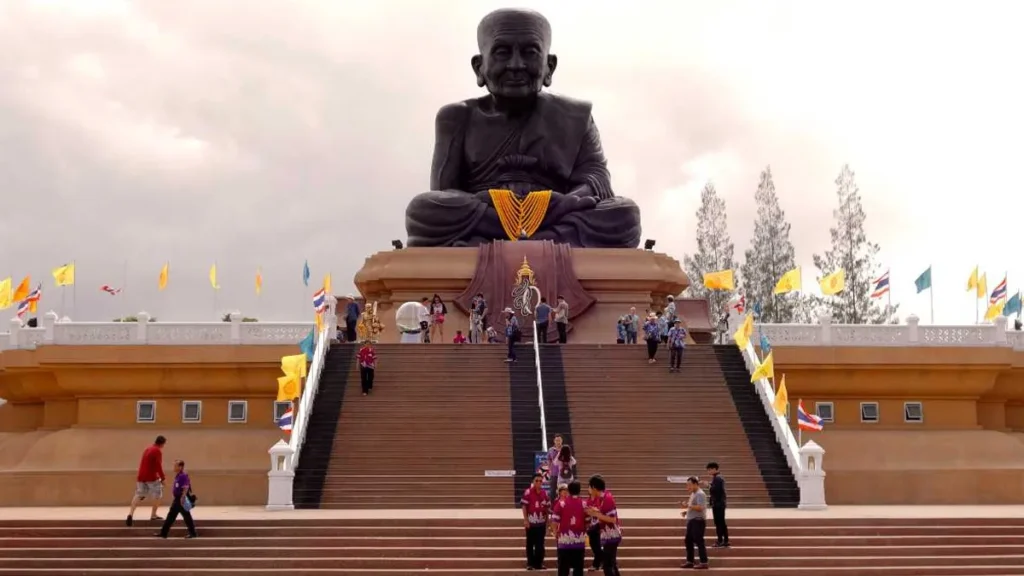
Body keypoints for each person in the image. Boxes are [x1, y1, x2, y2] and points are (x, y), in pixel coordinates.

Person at [403, 8, 642, 249]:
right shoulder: (456, 117)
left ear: (549, 67)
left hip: (557, 210)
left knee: (625, 214)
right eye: (502, 52)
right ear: (479, 67)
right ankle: (545, 239)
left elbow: (597, 182)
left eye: (530, 53)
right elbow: (444, 193)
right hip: (491, 212)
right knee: (423, 210)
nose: (516, 65)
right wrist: (492, 202)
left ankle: (495, 241)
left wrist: (562, 203)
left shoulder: (576, 116)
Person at [586, 475, 622, 576]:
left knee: (607, 565)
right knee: (612, 563)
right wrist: (596, 511)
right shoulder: (601, 498)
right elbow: (604, 512)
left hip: (612, 535)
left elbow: (612, 519)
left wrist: (596, 514)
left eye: (589, 487)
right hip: (607, 535)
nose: (588, 490)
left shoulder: (607, 498)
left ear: (594, 487)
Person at [127, 435, 166, 526]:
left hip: (141, 476)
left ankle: (130, 514)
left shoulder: (147, 449)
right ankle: (153, 515)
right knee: (158, 494)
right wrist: (163, 478)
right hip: (151, 476)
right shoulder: (157, 451)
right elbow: (158, 465)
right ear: (162, 444)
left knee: (138, 495)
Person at [550, 480, 587, 576]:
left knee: (563, 569)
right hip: (579, 542)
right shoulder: (584, 504)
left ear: (569, 490)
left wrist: (555, 533)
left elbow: (554, 521)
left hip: (564, 542)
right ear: (579, 490)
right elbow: (588, 521)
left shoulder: (561, 503)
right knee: (578, 570)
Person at [156, 459, 197, 539]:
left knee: (182, 516)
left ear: (180, 467)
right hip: (177, 499)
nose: (174, 467)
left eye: (175, 466)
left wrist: (183, 497)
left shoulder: (183, 475)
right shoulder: (178, 475)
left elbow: (186, 487)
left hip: (180, 499)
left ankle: (192, 533)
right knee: (174, 516)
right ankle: (164, 533)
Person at [521, 473, 551, 570]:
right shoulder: (528, 492)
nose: (538, 482)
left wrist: (548, 522)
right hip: (531, 523)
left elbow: (547, 509)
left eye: (540, 481)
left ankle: (539, 563)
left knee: (540, 544)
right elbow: (524, 506)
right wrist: (526, 520)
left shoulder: (545, 493)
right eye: (536, 481)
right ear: (533, 481)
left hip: (541, 523)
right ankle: (530, 564)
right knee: (530, 544)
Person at [682, 476, 709, 569]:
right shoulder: (694, 493)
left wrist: (688, 506)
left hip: (698, 521)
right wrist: (687, 512)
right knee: (688, 540)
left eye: (689, 485)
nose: (688, 487)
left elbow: (700, 508)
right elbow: (693, 506)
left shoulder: (700, 494)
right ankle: (690, 561)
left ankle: (704, 562)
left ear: (695, 484)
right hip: (692, 520)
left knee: (699, 541)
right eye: (687, 485)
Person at [706, 462, 729, 548]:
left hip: (718, 504)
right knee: (721, 522)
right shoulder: (717, 478)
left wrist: (708, 486)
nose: (708, 472)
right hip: (719, 503)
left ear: (714, 469)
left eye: (709, 470)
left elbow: (716, 491)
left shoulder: (717, 478)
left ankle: (720, 541)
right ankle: (725, 540)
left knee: (719, 523)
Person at [546, 434, 565, 502]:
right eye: (556, 440)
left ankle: (562, 504)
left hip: (563, 474)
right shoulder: (551, 450)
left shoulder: (565, 449)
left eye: (559, 440)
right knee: (552, 490)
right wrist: (549, 469)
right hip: (553, 473)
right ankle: (552, 505)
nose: (558, 442)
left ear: (562, 441)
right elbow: (548, 459)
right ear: (554, 441)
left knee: (562, 490)